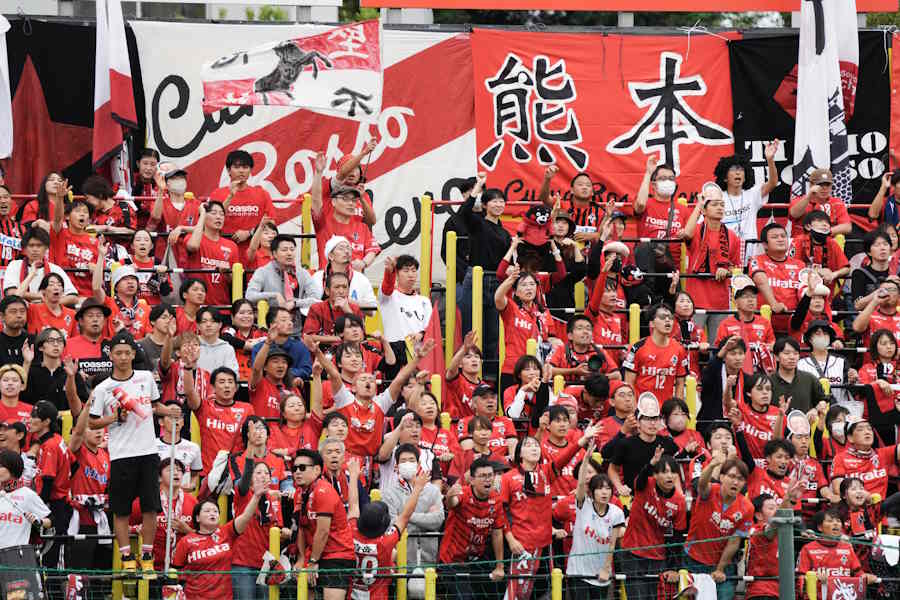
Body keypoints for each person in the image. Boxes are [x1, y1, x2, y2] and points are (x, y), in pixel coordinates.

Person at [88, 331, 168, 572]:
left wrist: (169, 411)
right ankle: (125, 557)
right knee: (121, 509)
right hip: (121, 454)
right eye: (118, 353)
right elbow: (92, 423)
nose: (123, 357)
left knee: (150, 506)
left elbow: (154, 406)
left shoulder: (145, 377)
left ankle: (147, 555)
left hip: (147, 451)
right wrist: (115, 417)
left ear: (134, 354)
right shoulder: (104, 388)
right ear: (110, 356)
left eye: (127, 353)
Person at [501, 432, 596, 600]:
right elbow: (500, 512)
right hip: (523, 545)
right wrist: (511, 539)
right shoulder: (508, 478)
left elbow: (563, 459)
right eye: (528, 445)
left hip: (546, 545)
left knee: (548, 591)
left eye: (536, 445)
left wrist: (580, 442)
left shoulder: (546, 472)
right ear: (519, 453)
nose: (534, 448)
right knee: (517, 593)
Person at [172, 475, 267, 599]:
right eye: (207, 511)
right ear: (197, 518)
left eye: (215, 511)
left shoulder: (226, 532)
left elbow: (245, 517)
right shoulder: (186, 541)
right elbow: (174, 573)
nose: (212, 513)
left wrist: (256, 496)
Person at [347, 458, 429, 600]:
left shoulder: (351, 532)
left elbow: (353, 505)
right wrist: (417, 489)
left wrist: (353, 477)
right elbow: (405, 516)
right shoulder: (385, 542)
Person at [621, 448, 686, 600]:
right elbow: (641, 478)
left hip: (658, 558)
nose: (669, 476)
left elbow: (676, 537)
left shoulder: (680, 501)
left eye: (673, 472)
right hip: (632, 553)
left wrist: (674, 568)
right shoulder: (645, 485)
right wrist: (651, 464)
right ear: (655, 475)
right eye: (664, 472)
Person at [685, 455, 754, 600]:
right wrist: (711, 466)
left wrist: (720, 569)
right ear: (722, 477)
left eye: (740, 479)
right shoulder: (710, 492)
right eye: (731, 476)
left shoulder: (747, 507)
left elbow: (734, 541)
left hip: (723, 564)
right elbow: (701, 485)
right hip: (693, 558)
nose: (735, 482)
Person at [291, 449, 355, 600]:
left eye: (302, 468)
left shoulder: (323, 490)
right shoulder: (299, 493)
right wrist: (302, 559)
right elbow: (302, 527)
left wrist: (313, 562)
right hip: (315, 553)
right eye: (294, 469)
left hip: (337, 554)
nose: (297, 472)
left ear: (317, 470)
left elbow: (323, 531)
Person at [680, 183, 741, 340]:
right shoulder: (697, 229)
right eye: (714, 205)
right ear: (705, 210)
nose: (720, 208)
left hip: (720, 302)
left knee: (718, 348)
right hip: (696, 301)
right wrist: (699, 204)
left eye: (722, 204)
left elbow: (735, 267)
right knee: (693, 345)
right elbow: (686, 233)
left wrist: (726, 270)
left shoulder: (732, 236)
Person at [439, 458, 506, 598]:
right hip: (452, 561)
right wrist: (449, 496)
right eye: (482, 476)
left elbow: (497, 533)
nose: (487, 480)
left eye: (490, 475)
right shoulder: (463, 494)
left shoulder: (497, 500)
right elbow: (452, 503)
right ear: (472, 480)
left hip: (477, 560)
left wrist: (499, 566)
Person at [66, 393, 112, 595]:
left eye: (101, 428)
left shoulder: (105, 455)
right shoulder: (78, 450)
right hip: (79, 518)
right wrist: (87, 408)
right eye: (92, 428)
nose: (98, 432)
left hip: (100, 519)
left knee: (99, 572)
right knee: (79, 571)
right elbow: (76, 435)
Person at [460, 178, 510, 362]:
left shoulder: (504, 232)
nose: (498, 205)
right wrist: (478, 187)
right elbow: (464, 212)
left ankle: (489, 374)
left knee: (493, 331)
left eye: (501, 201)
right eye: (494, 201)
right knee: (471, 328)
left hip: (496, 281)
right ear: (485, 204)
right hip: (476, 278)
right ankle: (469, 369)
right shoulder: (477, 223)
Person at [713, 141, 780, 265]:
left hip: (749, 255)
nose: (738, 172)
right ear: (725, 177)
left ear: (746, 175)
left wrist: (770, 160)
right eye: (733, 170)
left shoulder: (752, 194)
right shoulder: (717, 197)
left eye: (741, 170)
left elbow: (773, 183)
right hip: (724, 254)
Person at [380, 443, 445, 570]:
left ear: (418, 464)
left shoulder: (432, 491)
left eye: (411, 460)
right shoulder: (388, 493)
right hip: (402, 559)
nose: (408, 463)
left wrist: (405, 517)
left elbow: (437, 520)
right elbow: (392, 525)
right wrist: (424, 519)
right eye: (403, 461)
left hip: (429, 559)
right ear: (396, 466)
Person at [309, 153, 379, 271]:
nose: (351, 203)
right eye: (346, 199)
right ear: (333, 202)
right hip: (330, 282)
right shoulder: (324, 224)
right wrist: (318, 173)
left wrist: (363, 263)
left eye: (354, 200)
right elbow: (315, 201)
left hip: (354, 282)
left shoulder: (362, 227)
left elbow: (373, 249)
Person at [495, 265, 558, 393]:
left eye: (532, 284)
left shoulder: (544, 312)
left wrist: (555, 342)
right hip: (512, 370)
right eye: (524, 285)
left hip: (536, 372)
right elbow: (498, 298)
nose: (529, 288)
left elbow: (550, 339)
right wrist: (511, 279)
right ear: (516, 292)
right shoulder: (512, 309)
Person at [568, 463, 625, 600]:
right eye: (600, 489)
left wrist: (606, 569)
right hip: (578, 571)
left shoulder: (616, 513)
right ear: (592, 492)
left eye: (607, 488)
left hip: (601, 573)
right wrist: (587, 457)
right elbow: (581, 484)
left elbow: (612, 544)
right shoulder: (583, 505)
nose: (604, 492)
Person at [604, 394, 680, 496]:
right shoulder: (626, 444)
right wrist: (620, 487)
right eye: (647, 419)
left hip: (661, 497)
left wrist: (678, 493)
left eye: (655, 419)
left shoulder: (668, 443)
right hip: (634, 497)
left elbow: (675, 471)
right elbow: (612, 469)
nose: (652, 423)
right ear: (638, 422)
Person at [230, 460, 284, 600]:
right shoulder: (243, 494)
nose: (263, 476)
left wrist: (285, 532)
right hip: (243, 563)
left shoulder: (273, 500)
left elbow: (275, 529)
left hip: (264, 564)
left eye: (267, 473)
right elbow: (244, 479)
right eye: (258, 472)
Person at [185, 366, 254, 474]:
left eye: (230, 382)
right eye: (222, 382)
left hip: (236, 473)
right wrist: (188, 368)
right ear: (213, 387)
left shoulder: (247, 409)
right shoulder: (204, 407)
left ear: (236, 387)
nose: (227, 385)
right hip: (209, 474)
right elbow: (189, 392)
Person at [131, 458, 195, 572]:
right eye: (170, 470)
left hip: (184, 570)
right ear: (159, 477)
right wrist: (137, 529)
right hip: (151, 569)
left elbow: (205, 536)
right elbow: (122, 529)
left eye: (179, 470)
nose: (176, 473)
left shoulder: (193, 502)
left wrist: (187, 530)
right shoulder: (146, 501)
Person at [247, 233, 321, 332]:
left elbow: (316, 298)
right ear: (274, 254)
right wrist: (274, 295)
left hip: (297, 328)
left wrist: (295, 303)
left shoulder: (302, 273)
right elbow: (249, 295)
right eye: (284, 250)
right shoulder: (263, 272)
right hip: (271, 328)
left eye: (292, 249)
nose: (289, 253)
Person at [209, 150, 277, 252]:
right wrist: (230, 196)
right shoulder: (217, 194)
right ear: (228, 170)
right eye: (236, 167)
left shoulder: (262, 194)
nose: (241, 171)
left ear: (250, 170)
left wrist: (249, 233)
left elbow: (271, 223)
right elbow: (210, 222)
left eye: (245, 167)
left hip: (254, 254)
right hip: (223, 252)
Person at [795, 509, 876, 589]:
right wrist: (815, 579)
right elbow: (800, 578)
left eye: (838, 521)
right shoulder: (808, 549)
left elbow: (858, 573)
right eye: (830, 521)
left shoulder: (847, 547)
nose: (835, 524)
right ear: (820, 527)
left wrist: (866, 577)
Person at [748, 222, 806, 333]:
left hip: (793, 326)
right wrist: (774, 304)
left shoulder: (800, 265)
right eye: (775, 237)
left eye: (783, 236)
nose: (780, 239)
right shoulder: (756, 260)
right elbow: (760, 281)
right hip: (764, 325)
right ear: (765, 244)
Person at [623, 303, 688, 401]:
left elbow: (680, 384)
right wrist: (634, 409)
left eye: (670, 318)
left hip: (666, 410)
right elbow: (629, 383)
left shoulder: (679, 349)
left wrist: (676, 408)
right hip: (642, 409)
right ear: (652, 323)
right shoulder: (637, 348)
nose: (667, 320)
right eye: (662, 317)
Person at [633, 157, 690, 268]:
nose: (668, 181)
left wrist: (686, 233)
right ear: (654, 184)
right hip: (647, 266)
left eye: (671, 179)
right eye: (663, 178)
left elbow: (692, 235)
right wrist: (648, 173)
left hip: (671, 267)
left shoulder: (683, 210)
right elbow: (639, 204)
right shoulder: (646, 203)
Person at [49, 177, 100, 297]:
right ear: (67, 216)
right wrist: (60, 198)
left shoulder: (95, 242)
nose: (82, 214)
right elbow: (57, 219)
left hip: (88, 296)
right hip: (63, 294)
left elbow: (100, 272)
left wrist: (96, 268)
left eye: (85, 212)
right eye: (77, 211)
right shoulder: (60, 233)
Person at [379, 254, 433, 367]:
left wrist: (420, 334)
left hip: (418, 352)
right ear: (397, 274)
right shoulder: (389, 296)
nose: (411, 274)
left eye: (413, 270)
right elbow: (387, 286)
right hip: (394, 350)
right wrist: (389, 271)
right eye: (406, 270)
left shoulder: (424, 301)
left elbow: (429, 327)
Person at [3, 226, 78, 303]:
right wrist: (38, 296)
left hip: (46, 312)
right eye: (31, 245)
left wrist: (49, 303)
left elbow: (73, 297)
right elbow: (11, 293)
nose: (35, 249)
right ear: (24, 249)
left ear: (46, 248)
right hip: (22, 311)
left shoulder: (55, 269)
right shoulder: (14, 265)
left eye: (39, 245)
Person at [186, 201, 239, 309]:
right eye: (214, 213)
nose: (218, 217)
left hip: (223, 308)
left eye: (221, 214)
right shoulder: (193, 238)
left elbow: (235, 280)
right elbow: (193, 246)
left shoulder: (231, 246)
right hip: (197, 308)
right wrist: (202, 215)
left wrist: (227, 274)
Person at [797, 320, 857, 413]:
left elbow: (852, 389)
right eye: (817, 333)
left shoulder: (841, 361)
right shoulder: (801, 363)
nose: (822, 336)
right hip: (812, 414)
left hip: (838, 415)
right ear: (809, 338)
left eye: (825, 333)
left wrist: (853, 379)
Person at [22, 329, 88, 412]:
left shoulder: (71, 372)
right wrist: (26, 362)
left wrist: (71, 376)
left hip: (67, 422)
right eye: (51, 341)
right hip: (36, 421)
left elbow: (83, 405)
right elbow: (21, 398)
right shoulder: (32, 371)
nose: (56, 344)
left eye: (60, 341)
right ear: (41, 347)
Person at [147, 166, 201, 262]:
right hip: (165, 256)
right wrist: (160, 190)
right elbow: (155, 218)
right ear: (167, 184)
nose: (179, 181)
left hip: (190, 257)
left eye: (182, 178)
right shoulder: (160, 202)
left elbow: (202, 229)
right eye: (175, 179)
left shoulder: (196, 204)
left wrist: (181, 228)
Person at [310, 235, 376, 314]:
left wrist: (350, 302)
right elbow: (308, 305)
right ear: (330, 256)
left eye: (348, 248)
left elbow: (373, 310)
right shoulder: (318, 277)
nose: (347, 251)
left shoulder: (361, 279)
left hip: (351, 325)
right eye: (341, 248)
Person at [92, 253, 151, 340]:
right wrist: (101, 256)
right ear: (116, 286)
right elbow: (96, 287)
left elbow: (149, 335)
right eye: (125, 279)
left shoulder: (145, 307)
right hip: (114, 349)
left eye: (133, 279)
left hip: (137, 349)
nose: (130, 282)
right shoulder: (108, 303)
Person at [0, 449, 51, 548]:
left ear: (12, 468)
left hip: (15, 555)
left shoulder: (27, 495)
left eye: (1, 466)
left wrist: (39, 521)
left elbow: (51, 520)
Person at [547, 314, 618, 384]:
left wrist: (597, 377)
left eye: (588, 329)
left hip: (593, 392)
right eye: (580, 328)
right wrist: (574, 371)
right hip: (566, 392)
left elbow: (617, 375)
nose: (585, 332)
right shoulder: (560, 349)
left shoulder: (599, 351)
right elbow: (547, 371)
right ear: (570, 336)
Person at [250, 306, 313, 382]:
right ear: (272, 324)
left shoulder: (300, 346)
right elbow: (257, 370)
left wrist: (282, 373)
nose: (290, 323)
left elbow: (307, 370)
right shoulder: (259, 348)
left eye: (291, 320)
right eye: (284, 320)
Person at [304, 271, 364, 348]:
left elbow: (361, 337)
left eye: (344, 287)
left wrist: (347, 311)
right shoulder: (317, 308)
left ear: (348, 291)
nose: (341, 291)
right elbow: (308, 336)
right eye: (337, 287)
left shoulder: (355, 308)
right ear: (327, 291)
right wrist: (339, 338)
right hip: (323, 351)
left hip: (350, 350)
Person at [788, 168, 852, 237]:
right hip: (802, 242)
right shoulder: (799, 200)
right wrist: (808, 197)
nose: (824, 188)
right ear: (811, 185)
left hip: (827, 242)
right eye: (820, 184)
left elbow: (847, 227)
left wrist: (825, 232)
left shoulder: (837, 202)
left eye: (827, 184)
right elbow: (794, 214)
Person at [249, 334, 301, 419]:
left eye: (284, 362)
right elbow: (256, 369)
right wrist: (268, 342)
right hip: (263, 430)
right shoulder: (260, 384)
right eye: (275, 361)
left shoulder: (293, 389)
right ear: (265, 367)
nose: (281, 365)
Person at [770, 337, 828, 413]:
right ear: (776, 357)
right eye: (786, 353)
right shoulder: (769, 381)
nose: (792, 357)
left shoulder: (809, 379)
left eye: (796, 353)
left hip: (805, 423)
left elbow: (823, 400)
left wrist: (816, 409)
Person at [792, 211, 850, 285]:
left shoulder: (832, 243)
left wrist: (833, 274)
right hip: (802, 285)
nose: (825, 224)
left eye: (827, 223)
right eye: (820, 221)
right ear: (808, 226)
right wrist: (817, 271)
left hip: (827, 288)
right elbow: (792, 267)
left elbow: (846, 268)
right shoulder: (798, 241)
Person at [221, 299, 268, 382]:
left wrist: (254, 344)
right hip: (234, 381)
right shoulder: (230, 330)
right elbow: (226, 338)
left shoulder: (262, 332)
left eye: (250, 313)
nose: (246, 316)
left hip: (257, 380)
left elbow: (269, 342)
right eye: (241, 313)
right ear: (232, 317)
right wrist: (247, 345)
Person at [744, 494, 779, 600]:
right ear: (759, 515)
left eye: (777, 508)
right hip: (762, 592)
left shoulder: (780, 532)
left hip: (777, 590)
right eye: (771, 508)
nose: (777, 512)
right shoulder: (758, 531)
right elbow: (773, 525)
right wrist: (789, 499)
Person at [156, 410, 202, 490]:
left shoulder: (193, 447)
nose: (175, 420)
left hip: (182, 496)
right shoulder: (152, 446)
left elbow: (195, 474)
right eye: (171, 416)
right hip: (157, 496)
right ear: (161, 421)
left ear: (183, 422)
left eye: (179, 417)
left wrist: (192, 485)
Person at [24, 273, 77, 338]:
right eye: (51, 285)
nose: (56, 287)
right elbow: (14, 298)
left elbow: (75, 341)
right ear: (43, 291)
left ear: (63, 291)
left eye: (59, 285)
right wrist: (31, 274)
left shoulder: (72, 314)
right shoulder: (33, 309)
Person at [851, 229, 893, 309]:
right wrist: (880, 291)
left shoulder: (897, 272)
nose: (882, 248)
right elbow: (858, 305)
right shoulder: (860, 273)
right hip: (870, 318)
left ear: (890, 249)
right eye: (877, 245)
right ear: (869, 252)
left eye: (885, 244)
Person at [852, 277, 900, 345]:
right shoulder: (869, 315)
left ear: (898, 296)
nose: (887, 292)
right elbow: (857, 328)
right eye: (883, 290)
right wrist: (875, 301)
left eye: (892, 289)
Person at [130, 229, 172, 305]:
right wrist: (127, 270)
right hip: (131, 309)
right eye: (138, 240)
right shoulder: (125, 262)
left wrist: (163, 276)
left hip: (154, 309)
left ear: (151, 246)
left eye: (146, 240)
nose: (142, 243)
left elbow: (166, 293)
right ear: (132, 246)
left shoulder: (158, 263)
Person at [195, 306, 240, 375]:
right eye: (204, 321)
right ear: (198, 325)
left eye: (213, 321)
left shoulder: (227, 349)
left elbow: (233, 375)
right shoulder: (192, 346)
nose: (208, 325)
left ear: (220, 325)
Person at [139, 304, 177, 375]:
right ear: (153, 321)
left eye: (171, 318)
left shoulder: (178, 344)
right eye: (164, 317)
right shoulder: (141, 345)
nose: (168, 321)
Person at [0, 295, 30, 367]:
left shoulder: (33, 341)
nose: (19, 315)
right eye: (13, 312)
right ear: (2, 317)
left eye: (22, 311)